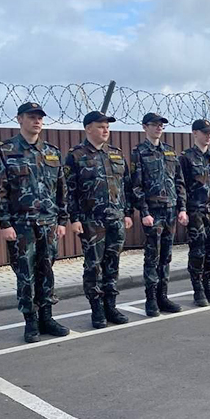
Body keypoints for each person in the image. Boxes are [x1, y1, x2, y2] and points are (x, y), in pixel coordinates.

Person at [0, 102, 70, 343]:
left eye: (39, 117)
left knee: (46, 270)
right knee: (25, 274)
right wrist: (4, 223)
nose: (37, 121)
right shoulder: (6, 150)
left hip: (49, 222)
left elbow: (61, 189)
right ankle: (30, 321)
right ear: (19, 119)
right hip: (21, 224)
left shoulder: (52, 151)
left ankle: (47, 317)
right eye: (31, 117)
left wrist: (62, 220)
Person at [64, 111, 134, 328]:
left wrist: (127, 213)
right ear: (88, 129)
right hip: (91, 221)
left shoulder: (115, 153)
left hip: (116, 218)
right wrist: (74, 218)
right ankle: (97, 310)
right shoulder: (76, 155)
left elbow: (126, 186)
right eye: (101, 126)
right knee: (93, 266)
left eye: (107, 127)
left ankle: (110, 306)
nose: (105, 130)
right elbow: (69, 190)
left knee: (112, 264)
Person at [127, 113, 187, 316]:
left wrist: (182, 208)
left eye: (161, 125)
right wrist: (144, 211)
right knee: (152, 256)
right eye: (154, 124)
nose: (159, 128)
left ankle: (163, 296)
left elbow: (179, 181)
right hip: (153, 212)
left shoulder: (169, 151)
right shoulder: (139, 152)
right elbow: (136, 185)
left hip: (170, 210)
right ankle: (151, 299)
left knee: (166, 256)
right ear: (145, 127)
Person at [179, 118, 210, 307]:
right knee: (197, 252)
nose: (208, 136)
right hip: (196, 211)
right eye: (204, 132)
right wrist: (182, 209)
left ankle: (209, 286)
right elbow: (181, 185)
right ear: (195, 133)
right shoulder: (186, 157)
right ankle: (198, 289)